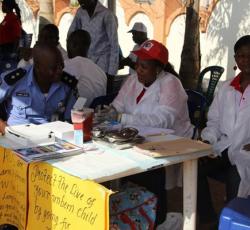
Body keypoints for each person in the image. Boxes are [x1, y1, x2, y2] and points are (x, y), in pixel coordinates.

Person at [101, 40, 193, 225]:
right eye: (137, 65)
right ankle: (135, 212)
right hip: (138, 139)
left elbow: (162, 121)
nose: (138, 70)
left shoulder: (171, 84)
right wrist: (107, 112)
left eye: (144, 66)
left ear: (158, 69)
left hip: (171, 141)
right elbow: (118, 105)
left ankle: (155, 218)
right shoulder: (133, 79)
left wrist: (121, 118)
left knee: (150, 173)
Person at [197, 35, 250, 227]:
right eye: (242, 56)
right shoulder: (226, 88)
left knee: (236, 176)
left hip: (246, 152)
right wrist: (208, 141)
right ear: (236, 59)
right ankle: (209, 217)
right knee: (195, 168)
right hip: (224, 146)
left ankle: (230, 221)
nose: (246, 60)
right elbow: (214, 121)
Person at [0, 43, 78, 134]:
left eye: (61, 65)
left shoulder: (67, 84)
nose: (60, 71)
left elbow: (71, 119)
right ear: (37, 67)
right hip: (17, 138)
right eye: (54, 68)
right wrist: (5, 129)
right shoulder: (15, 80)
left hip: (51, 138)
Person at [67, 0, 119, 78]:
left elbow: (114, 46)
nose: (80, 1)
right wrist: (72, 58)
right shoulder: (80, 12)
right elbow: (71, 34)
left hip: (103, 64)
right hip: (85, 62)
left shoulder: (107, 15)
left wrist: (111, 74)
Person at [64, 29, 107, 107]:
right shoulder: (101, 71)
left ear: (73, 44)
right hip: (95, 114)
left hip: (74, 114)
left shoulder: (66, 65)